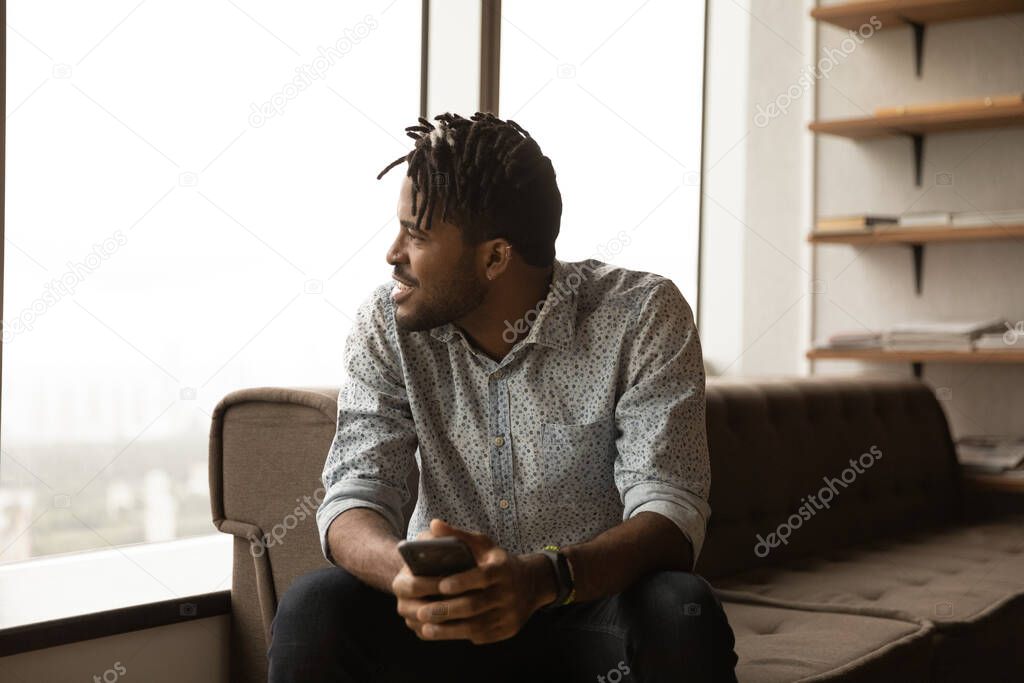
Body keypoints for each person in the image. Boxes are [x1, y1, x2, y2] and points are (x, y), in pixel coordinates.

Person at [268, 111, 739, 682]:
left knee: (680, 607)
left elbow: (670, 514)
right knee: (315, 605)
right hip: (442, 619)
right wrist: (404, 574)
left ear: (494, 257)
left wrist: (540, 580)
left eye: (416, 235)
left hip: (585, 609)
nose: (393, 253)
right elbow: (355, 495)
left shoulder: (640, 314)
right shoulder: (386, 324)